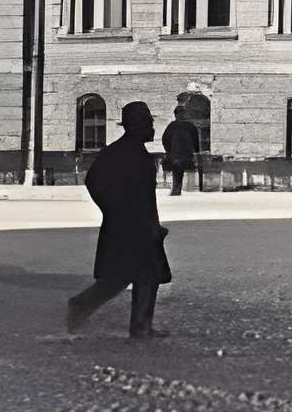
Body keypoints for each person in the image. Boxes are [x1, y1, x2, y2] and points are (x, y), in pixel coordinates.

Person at [65, 101, 170, 338]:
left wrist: (151, 224)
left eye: (150, 122)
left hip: (135, 226)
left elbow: (144, 197)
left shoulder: (133, 153)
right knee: (122, 278)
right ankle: (81, 306)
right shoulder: (122, 153)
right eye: (146, 123)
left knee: (145, 276)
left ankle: (140, 326)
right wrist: (115, 209)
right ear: (132, 125)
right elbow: (95, 182)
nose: (151, 128)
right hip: (129, 227)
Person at [161, 108, 202, 196]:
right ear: (176, 115)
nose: (182, 115)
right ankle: (176, 188)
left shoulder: (190, 126)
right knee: (176, 169)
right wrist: (169, 150)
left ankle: (178, 188)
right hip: (175, 152)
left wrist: (196, 151)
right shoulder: (172, 126)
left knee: (181, 169)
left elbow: (195, 139)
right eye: (180, 114)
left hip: (186, 152)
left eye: (183, 113)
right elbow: (165, 139)